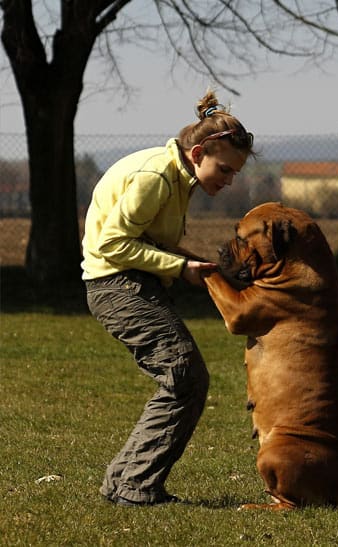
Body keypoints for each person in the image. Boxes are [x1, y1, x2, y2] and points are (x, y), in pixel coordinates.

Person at [81, 90, 254, 506]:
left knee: (183, 378)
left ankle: (121, 484)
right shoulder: (156, 176)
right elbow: (111, 245)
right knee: (184, 377)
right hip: (116, 286)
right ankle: (137, 488)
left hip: (131, 283)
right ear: (198, 152)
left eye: (234, 174)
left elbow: (151, 241)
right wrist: (181, 269)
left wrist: (205, 267)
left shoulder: (177, 176)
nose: (229, 181)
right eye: (225, 169)